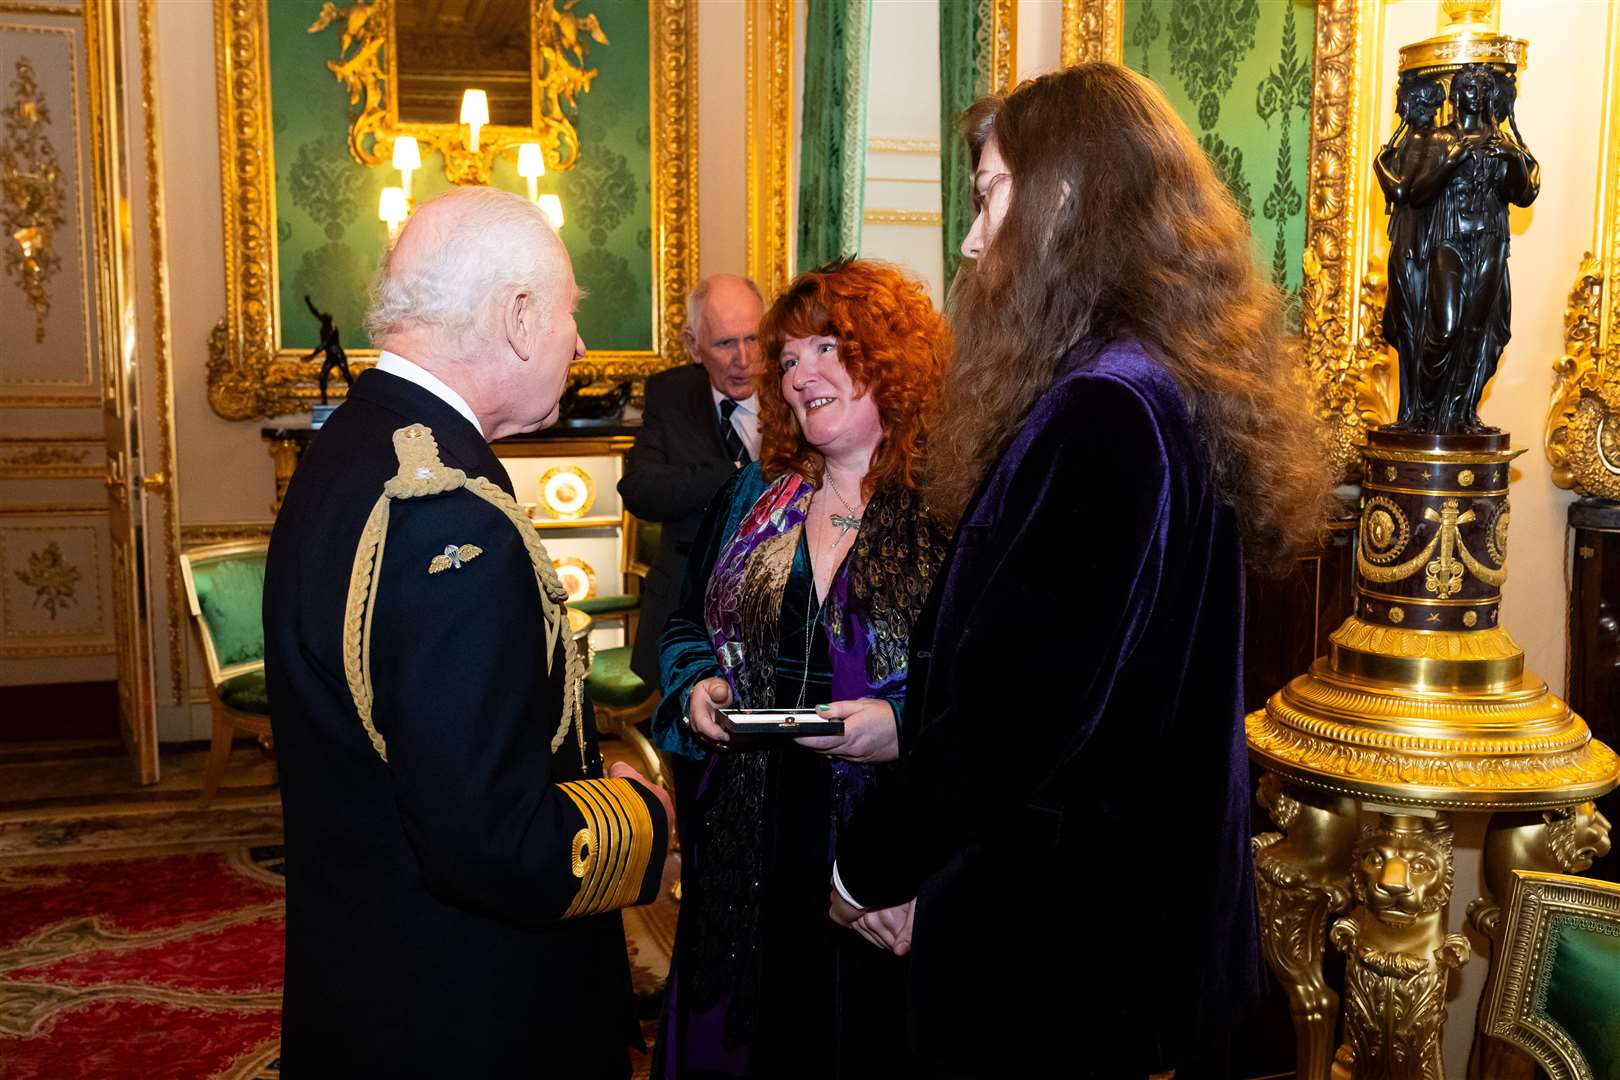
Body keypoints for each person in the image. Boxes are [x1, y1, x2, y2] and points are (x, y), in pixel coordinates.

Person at [830, 64, 1335, 1077]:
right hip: (1121, 933)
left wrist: (866, 863)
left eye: (989, 198)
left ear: (1067, 199)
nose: (972, 242)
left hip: (1057, 951)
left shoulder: (1104, 411)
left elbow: (1016, 716)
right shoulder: (1163, 384)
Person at [265, 187, 672, 1078]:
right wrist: (640, 813)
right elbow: (490, 841)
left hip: (372, 984)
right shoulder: (451, 512)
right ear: (520, 317)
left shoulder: (351, 446)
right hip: (473, 1012)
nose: (580, 344)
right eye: (571, 314)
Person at [651, 260, 951, 1078]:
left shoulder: (955, 508)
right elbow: (683, 628)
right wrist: (696, 684)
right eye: (787, 359)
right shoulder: (757, 494)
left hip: (885, 851)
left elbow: (1001, 692)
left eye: (828, 347)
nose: (798, 374)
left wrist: (902, 724)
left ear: (889, 356)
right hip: (750, 845)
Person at [619, 274, 766, 689]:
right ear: (693, 345)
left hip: (773, 620)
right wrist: (739, 477)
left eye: (754, 339)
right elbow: (641, 489)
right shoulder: (671, 393)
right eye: (725, 343)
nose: (743, 358)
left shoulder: (796, 387)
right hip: (685, 614)